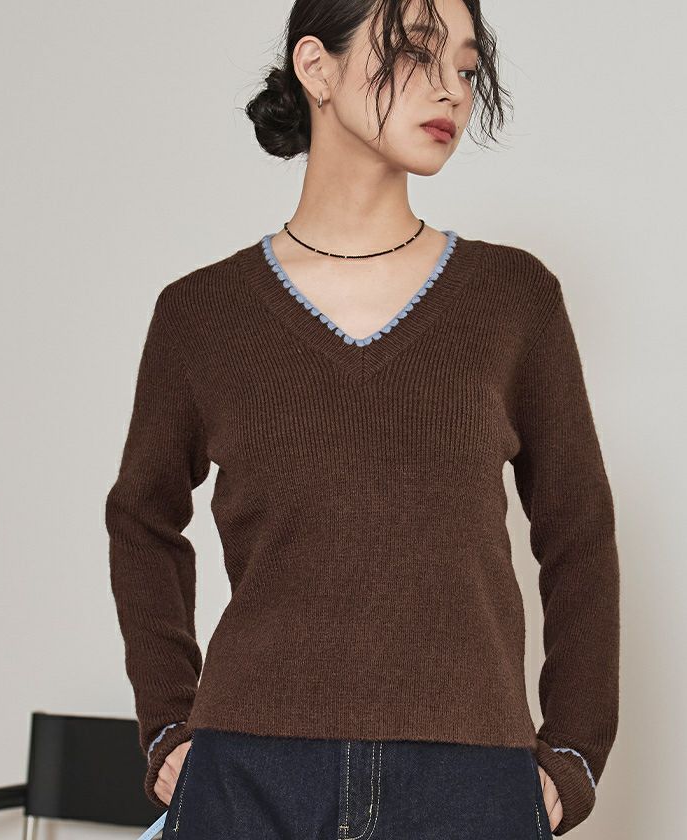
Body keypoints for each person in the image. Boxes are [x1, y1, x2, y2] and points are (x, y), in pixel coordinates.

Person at [105, 0, 620, 837]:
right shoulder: (201, 314)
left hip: (469, 780)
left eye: (466, 67)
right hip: (250, 775)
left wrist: (575, 750)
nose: (452, 89)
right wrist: (167, 722)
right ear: (317, 67)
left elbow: (579, 530)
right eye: (417, 52)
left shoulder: (514, 299)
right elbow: (140, 517)